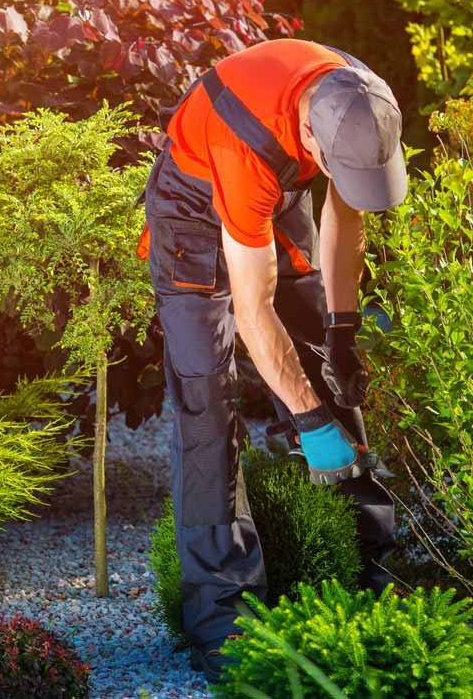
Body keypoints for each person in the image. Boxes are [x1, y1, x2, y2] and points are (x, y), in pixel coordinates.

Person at [137, 38, 407, 682]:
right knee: (210, 405)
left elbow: (348, 224)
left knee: (321, 363)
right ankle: (226, 620)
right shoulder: (246, 143)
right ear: (311, 143)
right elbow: (253, 311)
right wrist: (309, 424)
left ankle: (367, 570)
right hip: (194, 211)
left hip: (275, 201)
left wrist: (341, 332)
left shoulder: (363, 103)